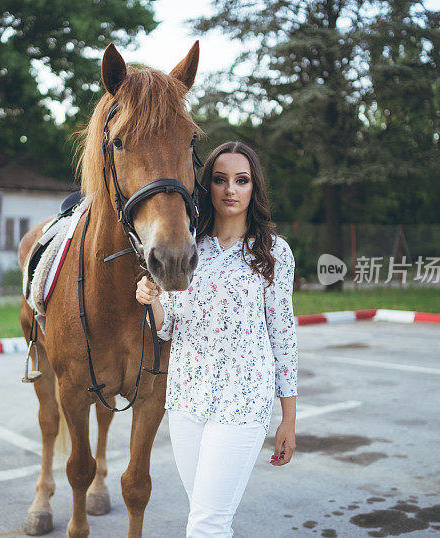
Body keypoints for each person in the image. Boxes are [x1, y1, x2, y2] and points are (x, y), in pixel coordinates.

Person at [135, 141, 298, 537]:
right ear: (206, 186)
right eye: (220, 180)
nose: (230, 189)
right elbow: (169, 327)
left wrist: (288, 418)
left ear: (253, 188)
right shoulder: (187, 248)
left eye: (241, 180)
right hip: (186, 399)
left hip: (242, 403)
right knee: (208, 516)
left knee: (206, 523)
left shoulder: (273, 253)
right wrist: (151, 299)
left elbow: (283, 336)